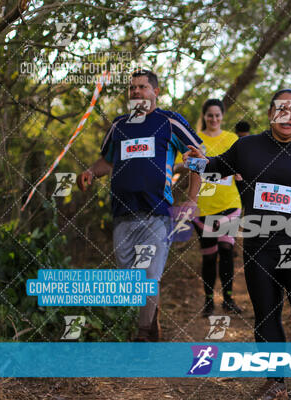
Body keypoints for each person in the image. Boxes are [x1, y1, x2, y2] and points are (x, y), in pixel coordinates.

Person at [184, 89, 291, 400]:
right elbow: (212, 168)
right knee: (265, 312)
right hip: (260, 244)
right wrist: (194, 162)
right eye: (281, 109)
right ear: (270, 113)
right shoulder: (246, 148)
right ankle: (276, 381)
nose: (287, 115)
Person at [76, 70, 203, 341]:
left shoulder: (169, 122)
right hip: (122, 211)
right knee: (129, 275)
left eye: (142, 87)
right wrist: (89, 171)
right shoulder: (119, 125)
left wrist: (191, 199)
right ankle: (151, 316)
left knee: (147, 274)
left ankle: (144, 333)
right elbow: (108, 162)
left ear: (156, 92)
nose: (136, 92)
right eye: (132, 88)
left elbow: (197, 157)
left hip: (156, 212)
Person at [192, 99, 243, 317]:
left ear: (222, 116)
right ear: (204, 116)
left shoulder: (232, 139)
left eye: (217, 115)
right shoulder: (195, 140)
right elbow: (183, 164)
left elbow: (242, 165)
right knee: (210, 255)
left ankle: (229, 299)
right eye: (210, 115)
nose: (214, 119)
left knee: (226, 249)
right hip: (204, 206)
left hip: (230, 203)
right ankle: (208, 301)